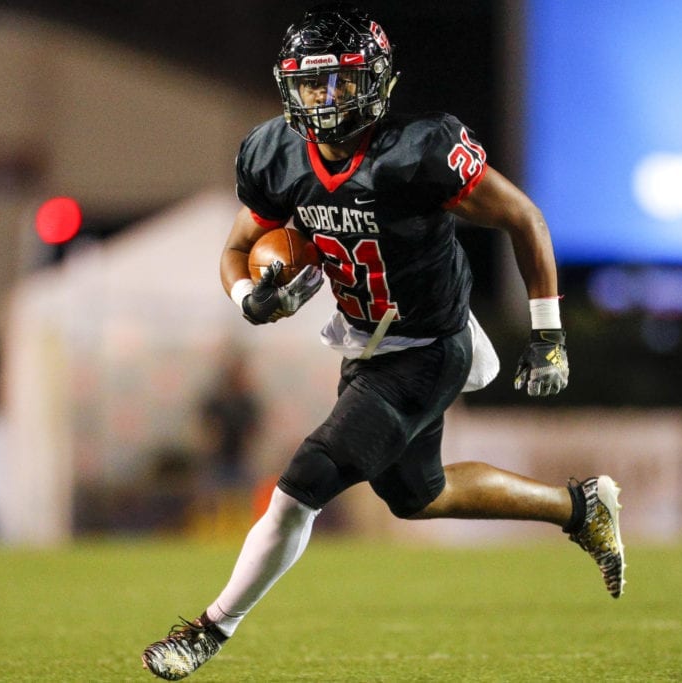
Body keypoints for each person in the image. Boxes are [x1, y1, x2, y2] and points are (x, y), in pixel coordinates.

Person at [142, 4, 625, 679]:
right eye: (314, 83)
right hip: (366, 345)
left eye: (343, 81)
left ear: (377, 82)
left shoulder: (417, 151)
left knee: (303, 481)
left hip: (431, 345)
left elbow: (523, 215)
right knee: (415, 495)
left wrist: (548, 333)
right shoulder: (275, 153)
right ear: (291, 87)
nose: (329, 97)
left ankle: (208, 630)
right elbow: (238, 248)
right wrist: (248, 296)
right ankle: (580, 507)